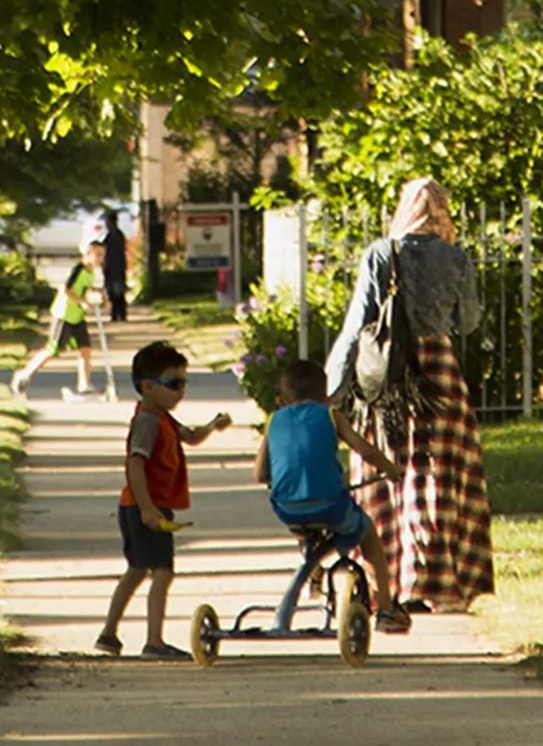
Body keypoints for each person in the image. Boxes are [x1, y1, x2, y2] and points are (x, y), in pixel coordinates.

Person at [330, 176, 490, 626]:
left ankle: (386, 578)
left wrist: (329, 392)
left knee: (384, 470)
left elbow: (356, 324)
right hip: (438, 370)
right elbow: (469, 321)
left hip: (388, 372)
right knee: (436, 473)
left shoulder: (382, 254)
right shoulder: (456, 257)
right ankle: (433, 582)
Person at [97, 341, 231, 658]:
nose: (180, 390)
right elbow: (135, 464)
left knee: (137, 570)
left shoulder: (164, 418)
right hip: (145, 506)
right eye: (173, 383)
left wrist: (213, 426)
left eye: (183, 383)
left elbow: (192, 436)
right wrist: (147, 507)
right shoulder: (147, 421)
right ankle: (154, 641)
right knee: (162, 571)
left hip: (146, 506)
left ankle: (109, 633)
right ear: (147, 386)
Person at [255, 356, 394, 560]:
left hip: (286, 509)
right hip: (330, 505)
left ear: (281, 402)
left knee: (303, 524)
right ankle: (383, 593)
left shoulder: (275, 420)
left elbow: (259, 475)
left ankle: (313, 570)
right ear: (326, 399)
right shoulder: (330, 414)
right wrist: (390, 469)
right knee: (368, 534)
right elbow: (366, 451)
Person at [11, 261, 109, 398]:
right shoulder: (78, 269)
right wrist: (81, 302)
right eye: (97, 254)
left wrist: (100, 298)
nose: (100, 258)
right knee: (53, 349)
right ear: (87, 254)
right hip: (64, 315)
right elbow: (64, 289)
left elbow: (85, 290)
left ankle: (84, 385)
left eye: (102, 255)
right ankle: (24, 374)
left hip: (77, 317)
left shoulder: (90, 272)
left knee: (85, 349)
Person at [97, 208, 132, 323]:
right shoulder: (115, 235)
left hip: (115, 268)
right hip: (115, 267)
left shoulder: (114, 236)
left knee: (116, 292)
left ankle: (119, 314)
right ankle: (117, 313)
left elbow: (111, 254)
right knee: (114, 292)